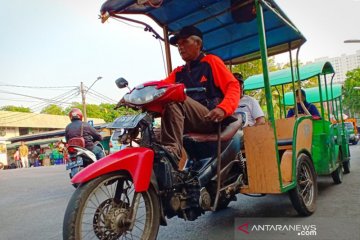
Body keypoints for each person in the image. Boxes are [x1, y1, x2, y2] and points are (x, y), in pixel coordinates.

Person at [159, 26, 240, 162]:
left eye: (185, 42)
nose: (180, 47)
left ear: (198, 43)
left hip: (210, 118)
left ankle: (172, 151)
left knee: (174, 97)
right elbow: (160, 88)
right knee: (151, 126)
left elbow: (233, 86)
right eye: (178, 45)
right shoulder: (178, 72)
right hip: (188, 121)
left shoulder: (211, 61)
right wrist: (134, 96)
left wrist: (223, 108)